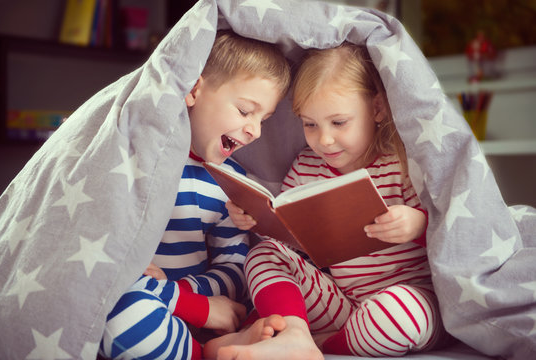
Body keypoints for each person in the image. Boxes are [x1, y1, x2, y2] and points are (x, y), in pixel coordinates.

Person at [208, 43, 450, 360]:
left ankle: (319, 345)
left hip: (409, 299)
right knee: (264, 253)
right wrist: (257, 220)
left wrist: (418, 224)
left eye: (338, 122)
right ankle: (295, 332)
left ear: (377, 109)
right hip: (340, 301)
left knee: (397, 317)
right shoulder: (306, 167)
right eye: (310, 124)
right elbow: (290, 239)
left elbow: (454, 234)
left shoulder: (402, 165)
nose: (323, 140)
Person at [98, 30, 291, 360]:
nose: (255, 130)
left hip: (198, 313)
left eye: (265, 119)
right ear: (194, 89)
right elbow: (97, 263)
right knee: (118, 311)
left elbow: (234, 269)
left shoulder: (231, 184)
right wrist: (189, 305)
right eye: (246, 111)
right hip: (141, 305)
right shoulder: (130, 158)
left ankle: (207, 346)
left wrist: (188, 299)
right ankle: (209, 353)